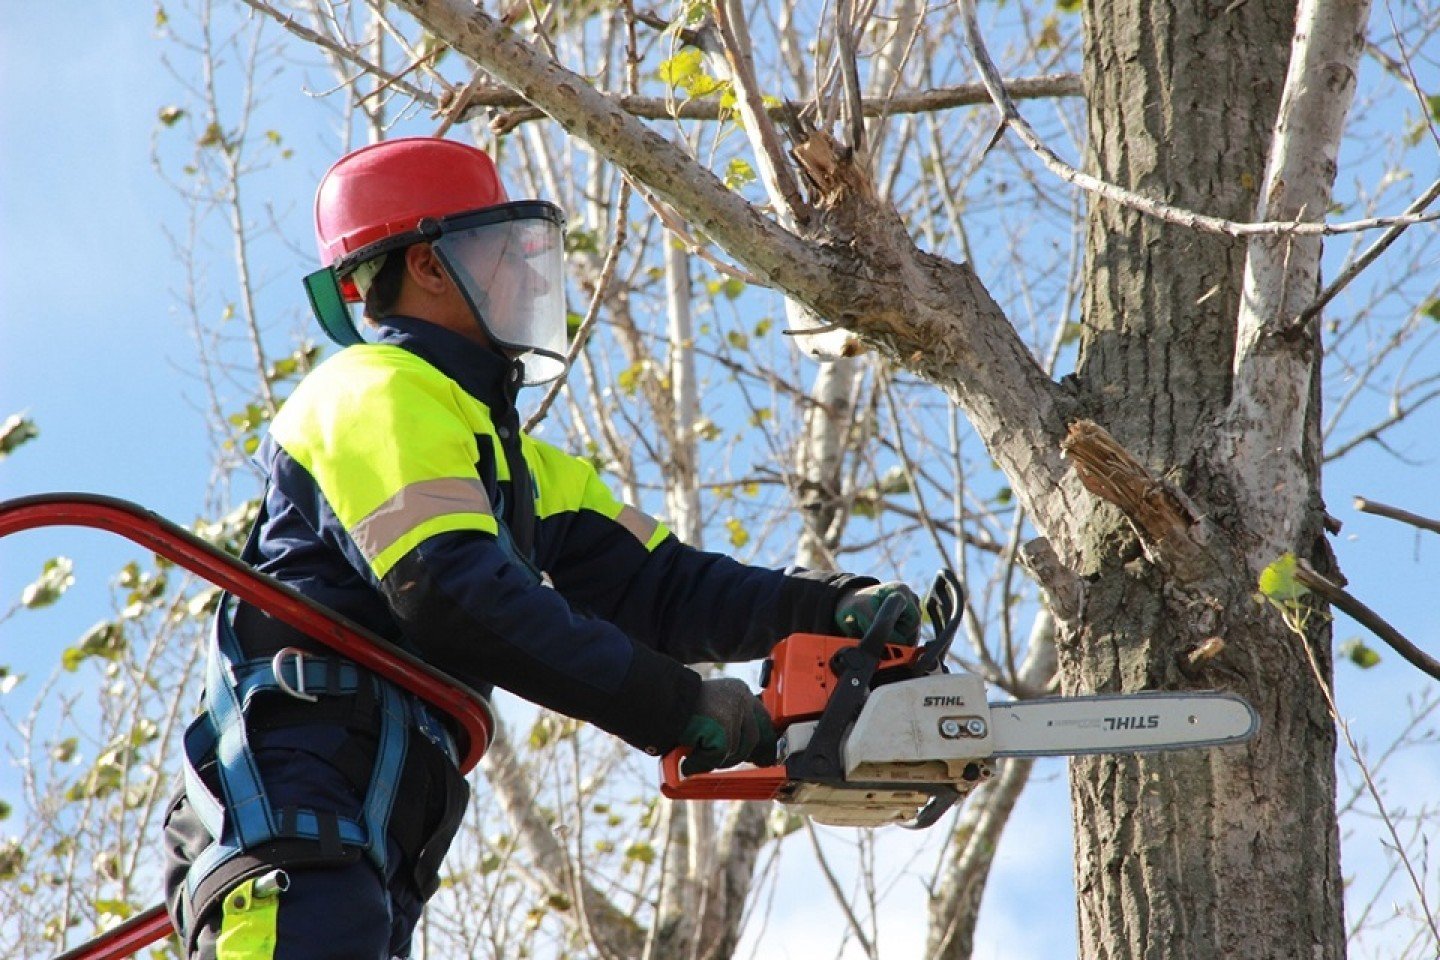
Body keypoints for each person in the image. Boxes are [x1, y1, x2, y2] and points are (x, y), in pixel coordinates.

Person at [162, 136, 921, 959]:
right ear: (427, 265)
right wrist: (675, 705)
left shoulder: (507, 460)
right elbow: (453, 591)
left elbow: (665, 589)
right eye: (504, 252)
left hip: (361, 844)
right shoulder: (370, 393)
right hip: (293, 818)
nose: (530, 277)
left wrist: (825, 607)